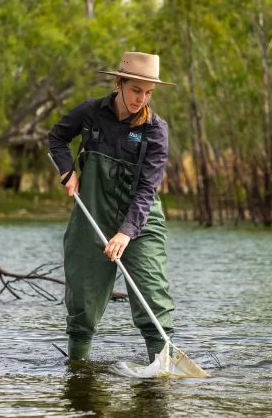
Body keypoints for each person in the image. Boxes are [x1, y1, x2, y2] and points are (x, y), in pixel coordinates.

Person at [48, 52, 175, 364]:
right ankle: (78, 374)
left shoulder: (156, 130)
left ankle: (161, 372)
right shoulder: (90, 112)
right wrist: (67, 171)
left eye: (148, 93)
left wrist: (125, 233)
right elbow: (57, 138)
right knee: (83, 304)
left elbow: (147, 189)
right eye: (135, 90)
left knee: (152, 299)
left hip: (140, 224)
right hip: (92, 217)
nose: (141, 99)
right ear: (119, 82)